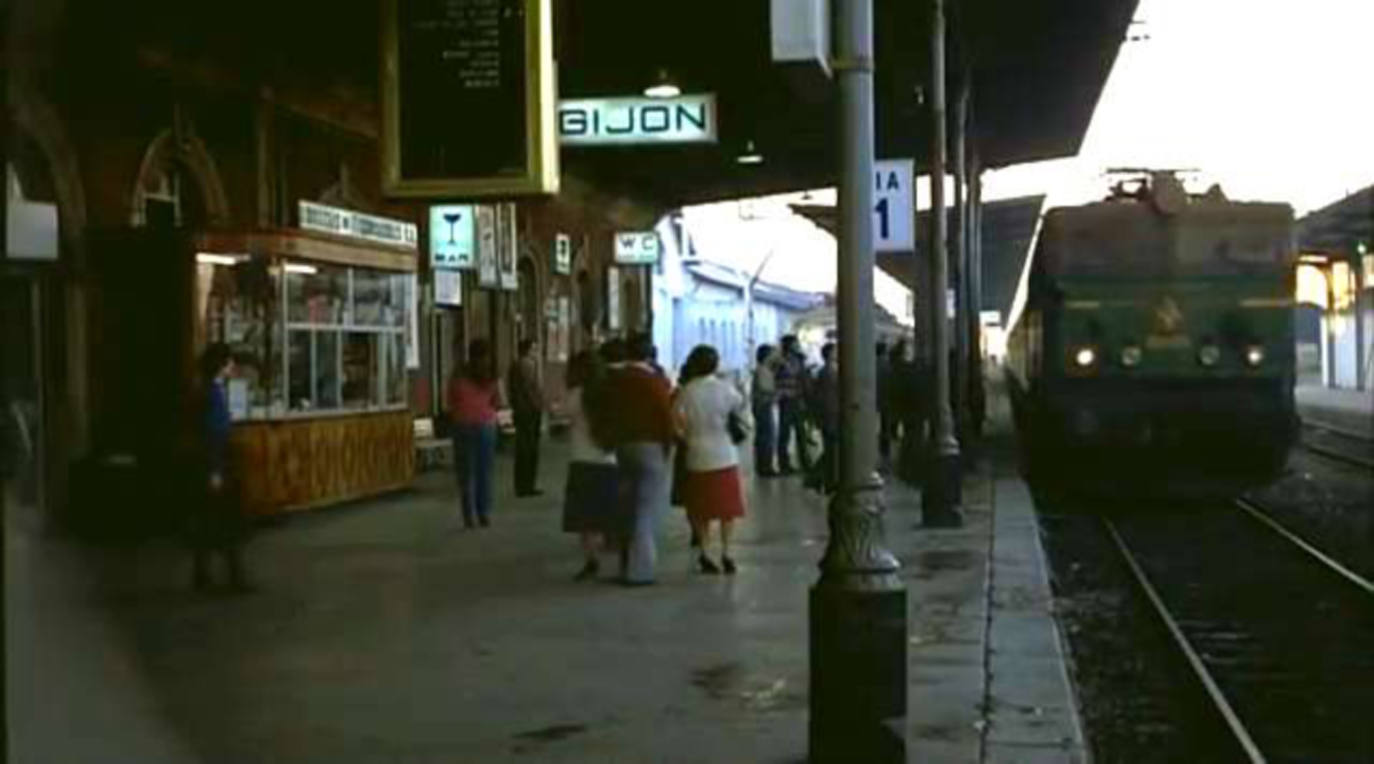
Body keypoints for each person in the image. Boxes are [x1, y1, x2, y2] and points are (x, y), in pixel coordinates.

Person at [604, 332, 676, 586]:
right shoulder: (653, 381)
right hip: (651, 446)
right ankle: (641, 571)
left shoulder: (614, 379)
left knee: (626, 507)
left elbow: (606, 412)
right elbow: (665, 416)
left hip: (623, 447)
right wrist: (668, 446)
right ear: (648, 355)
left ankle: (624, 566)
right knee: (646, 509)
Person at [674, 345, 751, 574]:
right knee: (727, 510)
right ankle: (727, 552)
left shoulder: (686, 392)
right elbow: (741, 407)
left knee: (700, 509)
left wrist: (688, 436)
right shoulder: (724, 389)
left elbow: (676, 422)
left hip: (696, 455)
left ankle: (705, 552)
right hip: (725, 454)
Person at [189, 342, 253, 593]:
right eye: (229, 362)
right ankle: (234, 577)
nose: (232, 367)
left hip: (211, 462)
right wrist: (215, 470)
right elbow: (213, 432)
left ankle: (203, 574)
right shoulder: (212, 393)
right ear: (220, 365)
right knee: (228, 521)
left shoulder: (205, 390)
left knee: (209, 520)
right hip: (216, 463)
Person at [561, 351, 619, 581]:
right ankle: (616, 552)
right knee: (608, 513)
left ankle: (591, 559)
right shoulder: (612, 395)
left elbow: (562, 413)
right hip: (608, 461)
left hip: (581, 461)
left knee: (585, 518)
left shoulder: (576, 396)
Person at [448, 339, 501, 529]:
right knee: (484, 471)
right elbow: (497, 401)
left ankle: (468, 514)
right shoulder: (491, 375)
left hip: (462, 424)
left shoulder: (459, 373)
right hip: (486, 425)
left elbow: (451, 397)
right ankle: (483, 512)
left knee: (465, 472)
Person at [508, 338, 544, 497]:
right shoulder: (527, 364)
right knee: (529, 449)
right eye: (534, 348)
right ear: (528, 350)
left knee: (523, 448)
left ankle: (521, 485)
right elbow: (531, 389)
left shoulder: (516, 364)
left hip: (520, 410)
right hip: (529, 411)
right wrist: (539, 405)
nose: (536, 351)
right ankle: (527, 485)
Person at [775, 334, 812, 475]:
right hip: (786, 400)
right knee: (784, 433)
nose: (798, 345)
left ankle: (805, 462)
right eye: (795, 343)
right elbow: (781, 378)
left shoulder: (800, 359)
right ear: (789, 345)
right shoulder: (781, 361)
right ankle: (784, 464)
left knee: (801, 433)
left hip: (797, 399)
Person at [808, 342, 841, 495]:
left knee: (831, 450)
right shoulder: (829, 371)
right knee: (831, 450)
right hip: (831, 415)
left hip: (829, 414)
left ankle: (820, 478)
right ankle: (823, 480)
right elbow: (828, 397)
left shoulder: (827, 370)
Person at [751, 344, 779, 477]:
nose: (776, 356)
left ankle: (764, 465)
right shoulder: (763, 370)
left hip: (763, 405)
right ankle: (765, 467)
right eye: (773, 353)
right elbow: (766, 388)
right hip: (763, 406)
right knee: (766, 436)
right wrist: (778, 392)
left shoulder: (764, 369)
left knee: (765, 436)